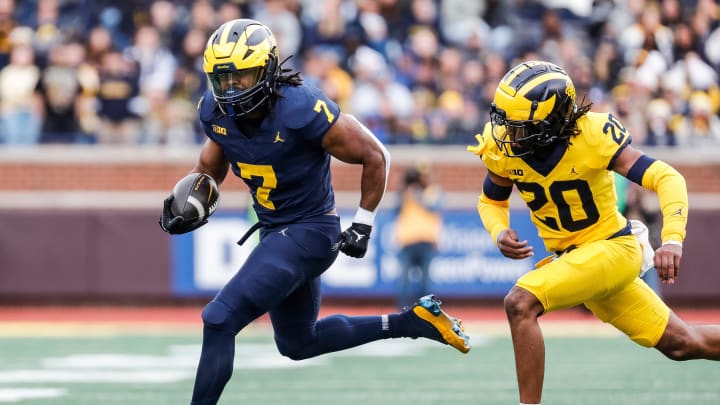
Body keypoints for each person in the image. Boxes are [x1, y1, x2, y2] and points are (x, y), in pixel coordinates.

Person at [158, 19, 470, 405]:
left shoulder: (301, 107)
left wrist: (363, 223)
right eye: (223, 79)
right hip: (276, 232)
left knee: (219, 319)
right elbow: (210, 167)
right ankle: (409, 322)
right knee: (298, 342)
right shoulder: (216, 113)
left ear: (268, 68)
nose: (233, 89)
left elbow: (375, 154)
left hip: (310, 231)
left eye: (242, 76)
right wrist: (186, 199)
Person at [467, 60, 720, 405]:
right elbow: (491, 200)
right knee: (684, 343)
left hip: (613, 249)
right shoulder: (504, 149)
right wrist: (498, 231)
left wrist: (673, 238)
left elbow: (667, 177)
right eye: (506, 124)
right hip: (578, 262)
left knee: (520, 302)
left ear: (551, 122)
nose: (508, 134)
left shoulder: (593, 134)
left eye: (520, 127)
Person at [394, 165, 443, 309]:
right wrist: (402, 190)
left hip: (427, 241)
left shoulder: (434, 192)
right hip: (407, 241)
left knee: (425, 281)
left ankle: (426, 311)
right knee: (403, 280)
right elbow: (395, 210)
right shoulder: (405, 193)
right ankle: (402, 311)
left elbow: (433, 207)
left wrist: (416, 194)